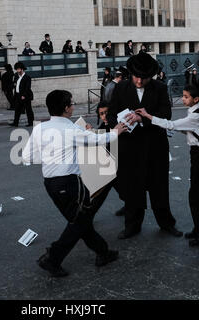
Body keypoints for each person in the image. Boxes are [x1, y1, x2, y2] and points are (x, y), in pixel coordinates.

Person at [22, 90, 128, 277]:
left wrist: (50, 156)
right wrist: (116, 132)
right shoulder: (70, 129)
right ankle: (53, 258)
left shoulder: (40, 128)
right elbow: (96, 140)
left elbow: (27, 156)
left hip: (50, 184)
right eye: (71, 103)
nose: (73, 106)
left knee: (80, 220)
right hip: (70, 183)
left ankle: (103, 252)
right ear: (65, 108)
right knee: (79, 223)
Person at [107, 52, 183, 240]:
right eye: (136, 77)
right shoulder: (120, 88)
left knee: (159, 187)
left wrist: (143, 118)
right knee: (132, 189)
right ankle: (132, 226)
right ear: (130, 74)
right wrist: (116, 125)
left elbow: (166, 114)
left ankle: (166, 223)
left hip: (155, 146)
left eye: (144, 78)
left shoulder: (160, 88)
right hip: (129, 147)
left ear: (151, 76)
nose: (139, 81)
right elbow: (110, 114)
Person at [138, 84, 199, 247]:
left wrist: (148, 116)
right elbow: (188, 130)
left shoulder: (195, 116)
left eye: (186, 97)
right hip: (197, 154)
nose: (183, 99)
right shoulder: (196, 110)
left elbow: (172, 124)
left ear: (196, 99)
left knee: (197, 196)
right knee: (196, 195)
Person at [9, 62, 34, 127]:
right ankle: (15, 123)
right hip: (17, 95)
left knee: (28, 110)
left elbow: (27, 87)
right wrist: (13, 85)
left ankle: (31, 122)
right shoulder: (16, 76)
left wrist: (24, 95)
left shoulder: (27, 77)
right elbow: (14, 84)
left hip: (25, 96)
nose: (17, 71)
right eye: (16, 69)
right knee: (17, 110)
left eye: (18, 69)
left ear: (22, 69)